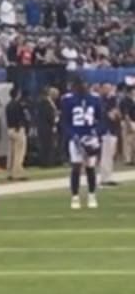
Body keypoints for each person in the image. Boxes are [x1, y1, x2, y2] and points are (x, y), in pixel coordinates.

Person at [58, 77, 103, 209]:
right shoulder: (67, 99)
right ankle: (75, 196)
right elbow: (64, 122)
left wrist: (95, 133)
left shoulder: (95, 98)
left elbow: (101, 119)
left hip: (90, 136)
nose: (83, 86)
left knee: (90, 167)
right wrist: (73, 135)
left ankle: (92, 195)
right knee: (76, 167)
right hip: (76, 138)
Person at [5, 88, 30, 181]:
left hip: (10, 129)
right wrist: (19, 128)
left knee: (11, 152)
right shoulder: (18, 105)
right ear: (17, 94)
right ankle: (17, 172)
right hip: (17, 129)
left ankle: (10, 171)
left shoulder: (8, 105)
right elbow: (19, 117)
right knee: (19, 152)